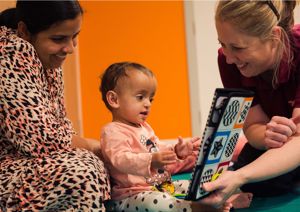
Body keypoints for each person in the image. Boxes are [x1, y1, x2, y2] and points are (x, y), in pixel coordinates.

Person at [0, 1, 110, 211]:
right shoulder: (11, 52)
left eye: (75, 36)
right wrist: (95, 146)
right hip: (6, 170)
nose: (70, 49)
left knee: (101, 164)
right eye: (58, 39)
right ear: (24, 30)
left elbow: (60, 127)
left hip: (25, 163)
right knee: (82, 172)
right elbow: (42, 140)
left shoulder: (46, 59)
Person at [201, 0, 300, 207]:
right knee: (258, 183)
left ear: (274, 36)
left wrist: (241, 176)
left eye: (237, 47)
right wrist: (267, 136)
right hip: (284, 142)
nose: (228, 58)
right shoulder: (228, 61)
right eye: (222, 44)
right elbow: (252, 126)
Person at [99, 62, 231, 212]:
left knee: (194, 184)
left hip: (161, 186)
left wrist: (176, 151)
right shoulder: (112, 131)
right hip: (132, 196)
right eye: (140, 97)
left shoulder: (145, 128)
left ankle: (221, 199)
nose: (148, 103)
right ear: (114, 100)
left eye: (151, 99)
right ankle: (197, 208)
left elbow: (157, 148)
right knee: (156, 202)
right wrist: (151, 160)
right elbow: (120, 159)